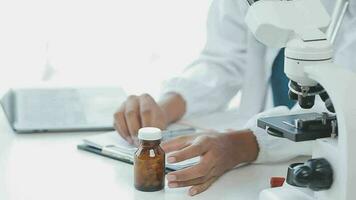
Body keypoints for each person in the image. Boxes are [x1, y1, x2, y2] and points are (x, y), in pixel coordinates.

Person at [113, 0, 356, 196]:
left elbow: (346, 94)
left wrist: (243, 144)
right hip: (262, 168)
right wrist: (165, 108)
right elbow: (224, 60)